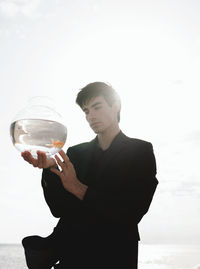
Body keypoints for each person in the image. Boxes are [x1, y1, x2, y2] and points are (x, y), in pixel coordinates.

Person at [21, 82, 158, 269]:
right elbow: (58, 209)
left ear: (116, 105)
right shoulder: (76, 153)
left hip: (116, 257)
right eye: (86, 111)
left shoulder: (141, 151)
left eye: (97, 107)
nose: (90, 116)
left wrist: (78, 188)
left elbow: (131, 213)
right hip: (73, 258)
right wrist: (49, 169)